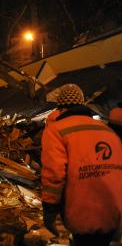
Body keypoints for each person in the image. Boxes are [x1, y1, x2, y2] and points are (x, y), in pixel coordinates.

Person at [41, 83, 122, 246]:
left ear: (60, 106)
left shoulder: (56, 130)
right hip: (112, 212)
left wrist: (49, 211)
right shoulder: (108, 131)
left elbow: (54, 174)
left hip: (81, 214)